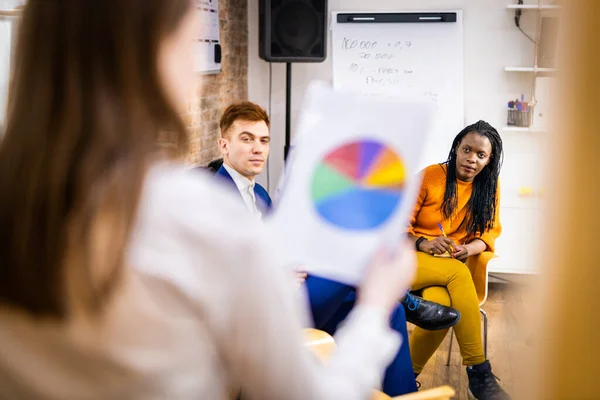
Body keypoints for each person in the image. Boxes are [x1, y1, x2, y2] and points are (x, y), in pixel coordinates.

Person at [0, 1, 418, 399]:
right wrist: (376, 302)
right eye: (195, 35)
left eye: (264, 141)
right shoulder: (197, 215)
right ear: (161, 53)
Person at [213, 100, 460, 396]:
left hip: (291, 294)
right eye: (247, 139)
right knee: (351, 258)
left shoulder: (260, 194)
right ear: (223, 145)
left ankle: (402, 391)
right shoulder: (215, 199)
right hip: (265, 315)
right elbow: (216, 278)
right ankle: (408, 300)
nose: (258, 148)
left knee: (390, 312)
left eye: (264, 140)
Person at [407, 120, 510, 400]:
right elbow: (396, 226)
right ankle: (479, 371)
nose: (471, 159)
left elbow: (489, 233)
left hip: (448, 267)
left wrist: (469, 249)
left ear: (489, 161)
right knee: (457, 273)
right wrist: (424, 243)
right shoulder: (430, 176)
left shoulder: (489, 187)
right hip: (407, 260)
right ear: (456, 148)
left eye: (481, 155)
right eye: (467, 150)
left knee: (442, 306)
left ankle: (404, 379)